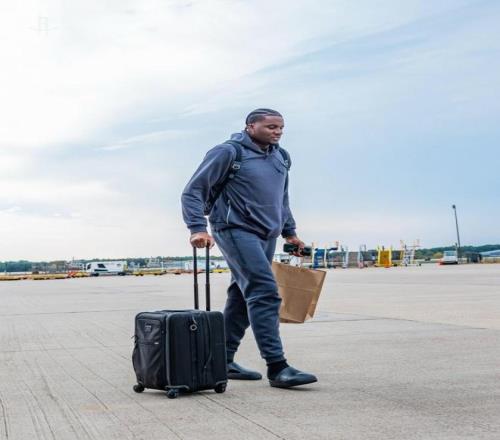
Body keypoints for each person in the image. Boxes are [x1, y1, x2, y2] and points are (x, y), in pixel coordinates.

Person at [181, 108, 317, 388]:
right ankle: (277, 367)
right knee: (264, 292)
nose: (278, 132)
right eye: (271, 127)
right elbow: (193, 190)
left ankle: (222, 360)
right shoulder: (228, 153)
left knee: (242, 297)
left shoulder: (281, 157)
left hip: (267, 233)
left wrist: (290, 232)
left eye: (281, 127)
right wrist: (197, 228)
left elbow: (282, 198)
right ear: (250, 126)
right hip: (234, 229)